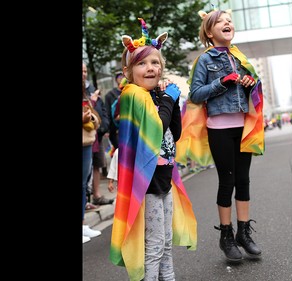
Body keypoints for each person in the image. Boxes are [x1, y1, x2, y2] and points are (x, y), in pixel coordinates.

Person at [109, 18, 197, 281]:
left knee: (166, 240)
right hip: (145, 181)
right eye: (142, 62)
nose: (150, 68)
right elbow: (156, 127)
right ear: (128, 70)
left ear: (162, 67)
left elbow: (175, 133)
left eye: (155, 62)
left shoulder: (156, 96)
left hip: (163, 177)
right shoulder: (133, 94)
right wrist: (169, 99)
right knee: (155, 243)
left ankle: (167, 276)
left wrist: (171, 99)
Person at [176, 8, 265, 261]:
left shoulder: (239, 57)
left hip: (243, 126)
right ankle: (226, 235)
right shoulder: (205, 59)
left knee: (244, 180)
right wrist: (221, 82)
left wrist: (250, 83)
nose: (228, 24)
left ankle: (244, 233)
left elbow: (254, 88)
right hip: (219, 129)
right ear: (209, 31)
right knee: (228, 181)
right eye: (221, 22)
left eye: (229, 21)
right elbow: (195, 94)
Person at [82, 62, 113, 206]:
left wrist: (104, 126)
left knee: (96, 166)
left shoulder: (91, 88)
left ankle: (96, 196)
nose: (84, 74)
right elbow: (88, 110)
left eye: (85, 71)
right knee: (85, 173)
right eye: (81, 71)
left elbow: (102, 111)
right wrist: (92, 102)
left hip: (96, 136)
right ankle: (87, 200)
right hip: (86, 137)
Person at [82, 79, 102, 243]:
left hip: (87, 143)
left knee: (83, 186)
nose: (83, 75)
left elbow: (97, 118)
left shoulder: (85, 96)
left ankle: (82, 225)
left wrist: (90, 119)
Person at [105, 72, 125, 150]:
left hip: (128, 127)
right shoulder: (110, 95)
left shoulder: (130, 92)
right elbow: (108, 113)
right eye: (119, 77)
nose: (121, 78)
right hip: (116, 129)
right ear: (116, 80)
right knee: (118, 150)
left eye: (123, 76)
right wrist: (107, 130)